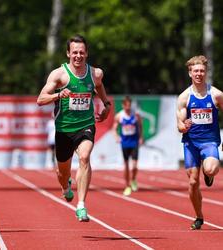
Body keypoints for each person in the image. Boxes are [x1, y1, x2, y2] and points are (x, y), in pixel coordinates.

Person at [37, 34, 111, 222]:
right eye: (75, 52)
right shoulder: (59, 75)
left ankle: (81, 205)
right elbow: (40, 99)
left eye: (82, 53)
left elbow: (100, 86)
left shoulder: (95, 74)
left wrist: (106, 105)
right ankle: (65, 186)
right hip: (63, 129)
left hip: (85, 125)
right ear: (68, 53)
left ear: (86, 54)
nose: (78, 56)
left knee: (85, 157)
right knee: (62, 173)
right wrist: (59, 95)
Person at [176, 55, 223, 230]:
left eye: (202, 71)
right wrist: (184, 126)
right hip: (191, 144)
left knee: (211, 168)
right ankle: (199, 216)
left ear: (206, 73)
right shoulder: (184, 97)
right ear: (190, 73)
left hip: (209, 141)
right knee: (193, 183)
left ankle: (208, 174)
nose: (199, 74)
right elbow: (179, 125)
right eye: (195, 71)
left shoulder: (216, 94)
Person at [113, 96, 143, 196]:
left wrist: (141, 137)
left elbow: (140, 126)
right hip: (125, 143)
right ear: (123, 105)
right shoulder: (119, 116)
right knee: (126, 165)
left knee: (134, 166)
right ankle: (127, 186)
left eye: (129, 105)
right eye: (126, 105)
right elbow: (114, 128)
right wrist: (116, 136)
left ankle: (133, 179)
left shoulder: (136, 115)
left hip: (134, 142)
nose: (128, 107)